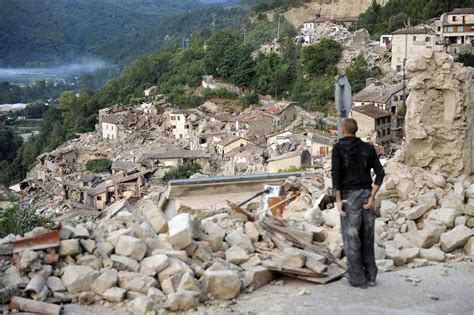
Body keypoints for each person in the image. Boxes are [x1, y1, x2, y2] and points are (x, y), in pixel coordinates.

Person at [331, 118, 385, 289]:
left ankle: (357, 278)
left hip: (349, 198)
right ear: (356, 130)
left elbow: (336, 176)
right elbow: (380, 173)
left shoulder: (338, 149)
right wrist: (372, 196)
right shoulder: (368, 148)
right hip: (366, 196)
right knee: (367, 238)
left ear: (343, 130)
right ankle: (371, 276)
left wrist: (338, 200)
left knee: (352, 239)